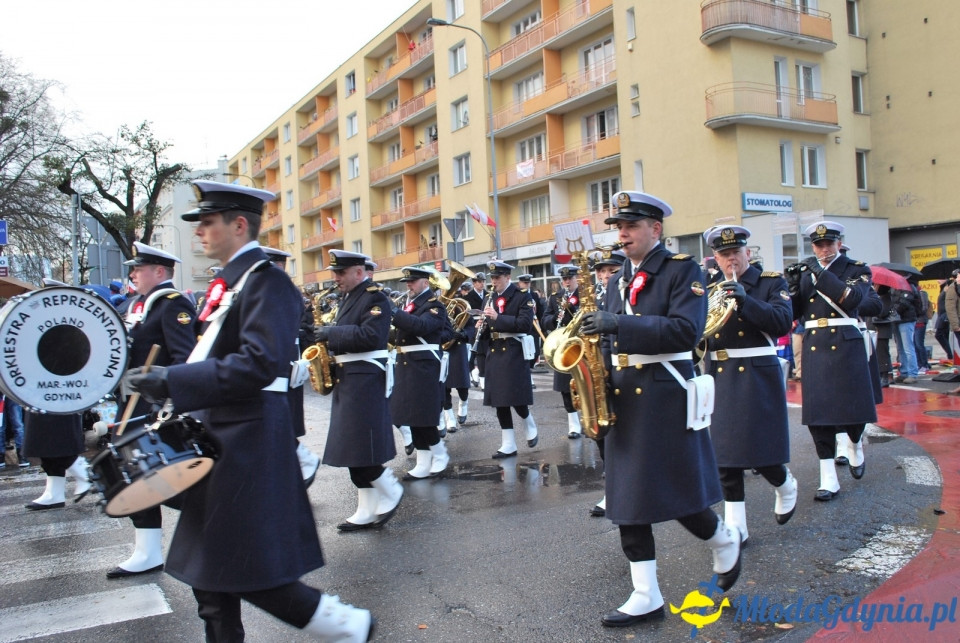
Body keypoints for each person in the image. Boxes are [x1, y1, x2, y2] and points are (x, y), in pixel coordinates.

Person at [126, 181, 372, 641]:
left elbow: (260, 362)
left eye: (207, 222)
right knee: (210, 580)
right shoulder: (233, 283)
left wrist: (174, 380)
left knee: (246, 572)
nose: (199, 231)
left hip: (247, 443)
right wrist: (170, 382)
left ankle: (346, 626)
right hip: (220, 438)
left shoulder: (267, 282)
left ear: (239, 225)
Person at [579, 191, 741, 627]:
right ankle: (646, 594)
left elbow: (686, 331)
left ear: (656, 228)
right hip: (623, 396)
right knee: (626, 499)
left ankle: (723, 540)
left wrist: (620, 324)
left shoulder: (681, 270)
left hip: (664, 392)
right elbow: (606, 341)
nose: (622, 234)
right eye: (618, 227)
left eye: (630, 226)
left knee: (678, 491)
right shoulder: (616, 279)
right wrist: (594, 382)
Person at [107, 241, 198, 579]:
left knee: (166, 481)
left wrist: (167, 399)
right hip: (129, 405)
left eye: (138, 269)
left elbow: (184, 359)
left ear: (159, 271)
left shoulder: (173, 305)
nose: (132, 274)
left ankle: (217, 529)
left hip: (153, 407)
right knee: (135, 478)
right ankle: (146, 551)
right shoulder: (134, 305)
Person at [703, 226, 797, 545]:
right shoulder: (709, 287)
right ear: (715, 258)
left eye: (736, 252)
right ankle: (737, 526)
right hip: (720, 373)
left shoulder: (770, 282)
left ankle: (785, 485)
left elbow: (782, 322)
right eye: (724, 254)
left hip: (756, 372)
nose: (731, 259)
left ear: (747, 253)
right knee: (724, 457)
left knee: (761, 452)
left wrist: (746, 302)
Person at [785, 221, 882, 502]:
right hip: (816, 343)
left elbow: (852, 300)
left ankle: (854, 443)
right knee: (818, 415)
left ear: (839, 244)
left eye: (829, 244)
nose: (824, 249)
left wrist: (819, 273)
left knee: (854, 410)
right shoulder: (805, 273)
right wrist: (792, 289)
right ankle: (828, 476)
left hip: (847, 341)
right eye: (819, 245)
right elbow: (793, 314)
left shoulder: (856, 269)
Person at [316, 250, 402, 532]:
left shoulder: (375, 298)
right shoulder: (349, 297)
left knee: (361, 446)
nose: (335, 277)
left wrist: (330, 333)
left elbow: (371, 337)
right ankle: (366, 509)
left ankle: (391, 489)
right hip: (349, 377)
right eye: (334, 272)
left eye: (340, 272)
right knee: (354, 449)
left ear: (358, 271)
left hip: (364, 379)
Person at [263, 247, 322, 488]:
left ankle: (303, 460)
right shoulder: (271, 290)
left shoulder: (284, 291)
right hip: (272, 364)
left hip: (282, 364)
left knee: (276, 422)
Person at [390, 266, 450, 480]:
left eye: (413, 281)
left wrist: (394, 312)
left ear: (425, 283)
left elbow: (421, 326)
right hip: (406, 363)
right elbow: (401, 334)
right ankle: (423, 462)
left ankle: (440, 453)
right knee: (411, 415)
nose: (408, 284)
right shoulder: (410, 304)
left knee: (423, 415)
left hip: (423, 365)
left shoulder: (434, 305)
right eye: (407, 281)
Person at [478, 260, 539, 458]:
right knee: (499, 401)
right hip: (495, 352)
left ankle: (528, 421)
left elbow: (525, 324)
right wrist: (481, 327)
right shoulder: (489, 298)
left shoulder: (522, 296)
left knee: (515, 398)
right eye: (492, 278)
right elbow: (489, 329)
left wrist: (497, 318)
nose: (494, 281)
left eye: (497, 277)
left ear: (507, 277)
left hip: (514, 351)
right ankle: (508, 443)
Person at [586, 247, 625, 518]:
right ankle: (612, 490)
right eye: (601, 271)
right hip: (599, 366)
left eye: (612, 270)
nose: (606, 275)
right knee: (601, 433)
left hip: (625, 368)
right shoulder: (596, 296)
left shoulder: (629, 292)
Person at [542, 264, 583, 438]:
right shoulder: (555, 297)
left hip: (581, 344)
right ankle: (574, 426)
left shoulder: (584, 294)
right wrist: (554, 318)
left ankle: (588, 420)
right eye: (564, 279)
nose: (566, 282)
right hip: (563, 345)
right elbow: (544, 319)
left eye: (569, 278)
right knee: (566, 388)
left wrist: (571, 310)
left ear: (576, 278)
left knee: (584, 385)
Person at [890, 283, 920, 383]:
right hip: (898, 319)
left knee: (908, 348)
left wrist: (893, 310)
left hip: (906, 319)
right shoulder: (894, 287)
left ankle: (912, 373)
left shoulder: (908, 286)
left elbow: (905, 301)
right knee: (901, 348)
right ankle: (904, 372)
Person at [465, 272, 488, 388]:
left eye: (483, 281)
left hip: (487, 328)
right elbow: (466, 316)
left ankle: (479, 374)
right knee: (475, 354)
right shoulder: (468, 297)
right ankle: (474, 373)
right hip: (474, 328)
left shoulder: (488, 295)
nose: (482, 283)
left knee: (485, 354)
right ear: (474, 283)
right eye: (479, 282)